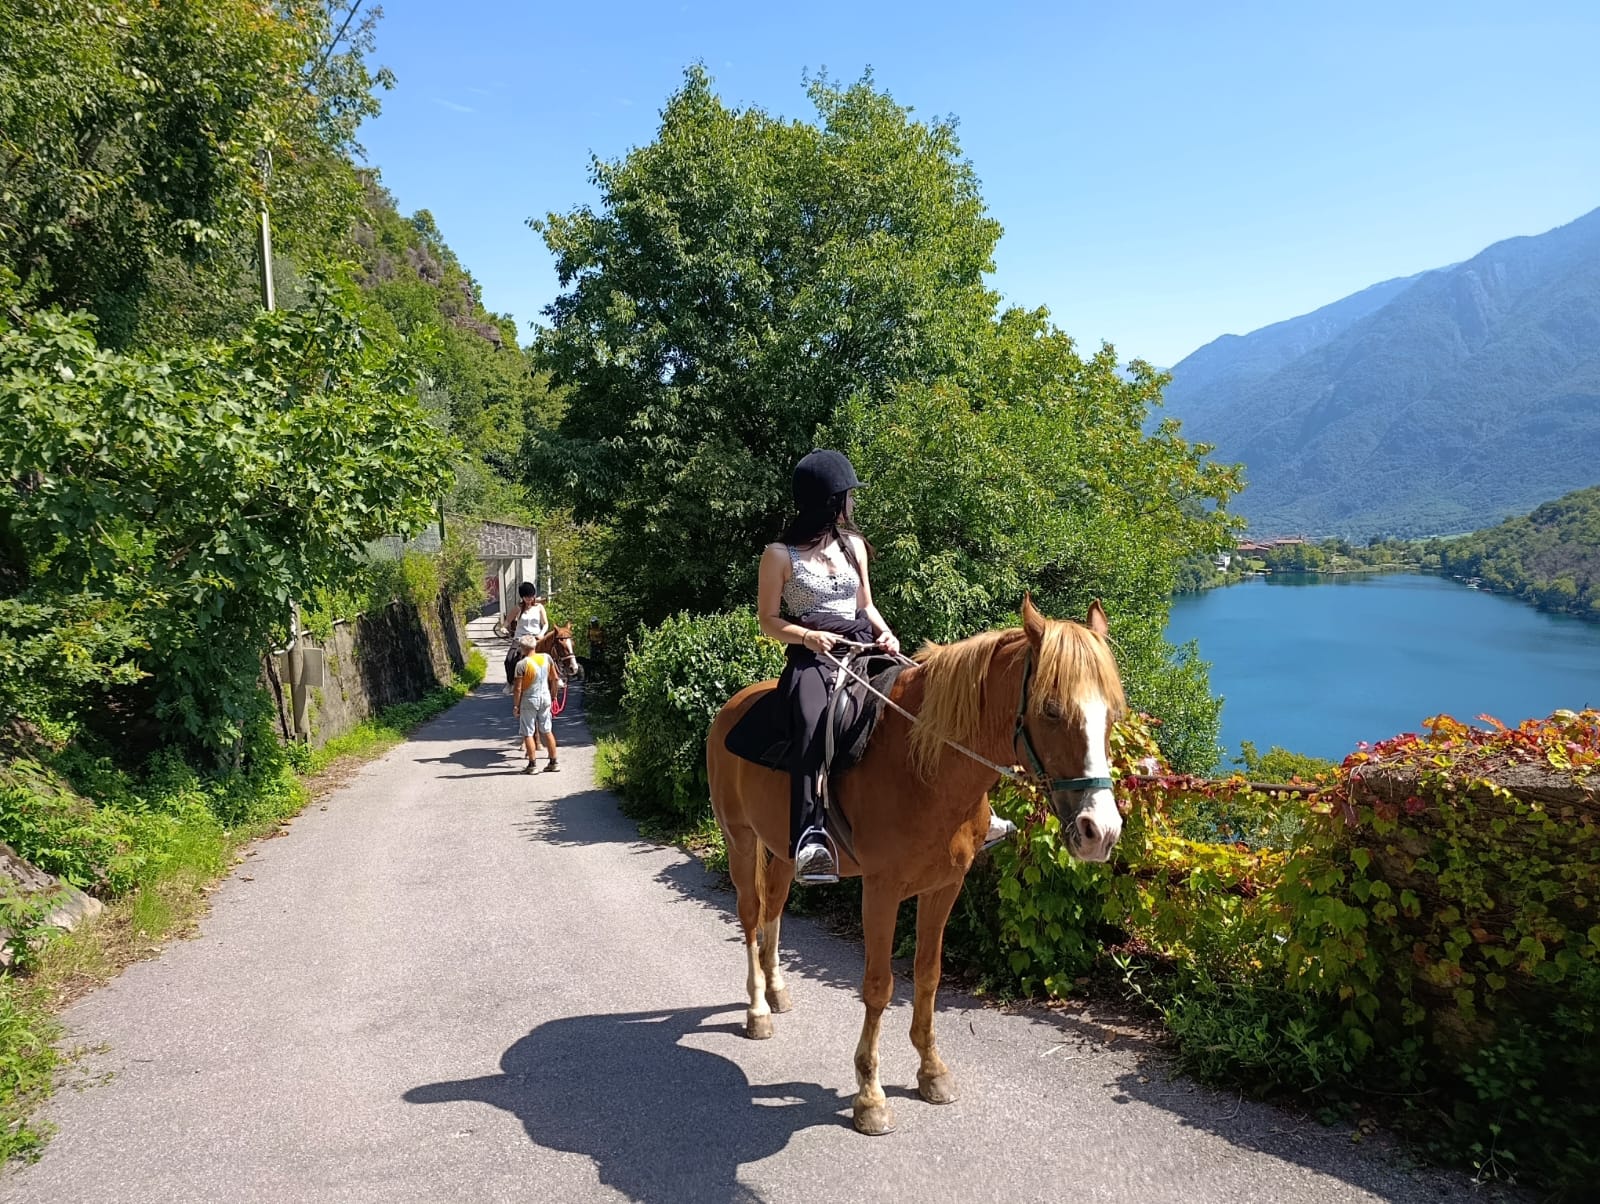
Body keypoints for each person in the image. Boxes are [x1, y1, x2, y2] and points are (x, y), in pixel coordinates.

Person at [511, 635, 561, 773]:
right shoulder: (546, 658)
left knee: (528, 732)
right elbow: (555, 679)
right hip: (545, 697)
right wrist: (554, 696)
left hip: (529, 699)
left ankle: (532, 765)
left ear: (522, 648)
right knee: (547, 730)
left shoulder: (521, 665)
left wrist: (516, 705)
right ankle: (553, 762)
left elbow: (518, 688)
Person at [503, 582, 549, 689]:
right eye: (526, 597)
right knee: (509, 660)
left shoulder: (539, 607)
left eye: (531, 596)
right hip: (520, 638)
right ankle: (510, 682)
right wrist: (503, 627)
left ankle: (557, 677)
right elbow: (507, 621)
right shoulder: (518, 608)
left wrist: (541, 634)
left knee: (551, 654)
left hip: (536, 637)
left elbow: (546, 623)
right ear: (522, 597)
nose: (529, 599)